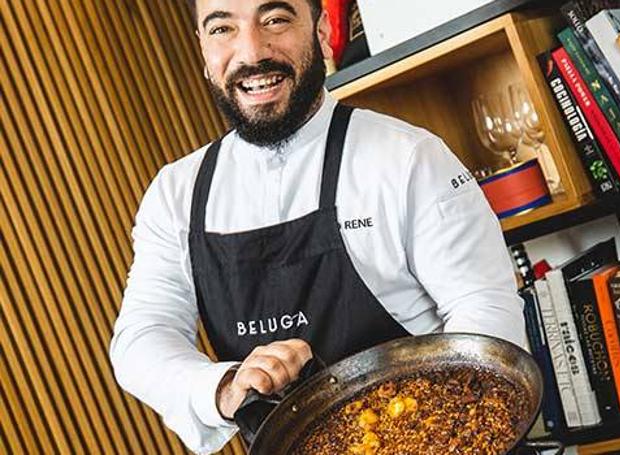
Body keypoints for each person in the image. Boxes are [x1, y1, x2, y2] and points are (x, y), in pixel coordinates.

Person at [109, 0, 526, 453]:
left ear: (323, 32)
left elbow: (486, 313)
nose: (251, 51)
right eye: (222, 29)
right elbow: (141, 338)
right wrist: (226, 385)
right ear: (204, 55)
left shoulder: (407, 158)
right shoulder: (177, 195)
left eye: (275, 20)